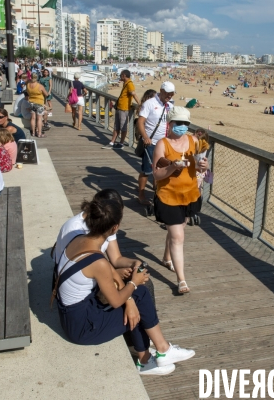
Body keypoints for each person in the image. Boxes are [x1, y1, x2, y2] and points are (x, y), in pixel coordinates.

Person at [54, 195, 195, 375]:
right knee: (139, 295)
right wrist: (134, 283)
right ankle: (159, 352)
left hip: (72, 314)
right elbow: (115, 300)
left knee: (137, 297)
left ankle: (153, 355)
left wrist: (130, 297)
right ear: (115, 228)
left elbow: (108, 270)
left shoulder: (80, 239)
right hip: (82, 327)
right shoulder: (98, 261)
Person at [152, 106, 207, 294]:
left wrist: (203, 167)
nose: (182, 127)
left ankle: (166, 257)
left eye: (186, 123)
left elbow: (199, 170)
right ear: (170, 123)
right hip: (168, 196)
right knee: (178, 236)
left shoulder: (194, 141)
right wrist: (173, 167)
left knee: (178, 230)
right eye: (179, 123)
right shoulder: (162, 144)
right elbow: (157, 175)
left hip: (190, 195)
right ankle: (181, 280)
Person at [136, 83, 174, 205]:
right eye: (167, 92)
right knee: (147, 170)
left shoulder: (171, 104)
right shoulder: (150, 103)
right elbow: (140, 122)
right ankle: (141, 194)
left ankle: (158, 192)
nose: (169, 95)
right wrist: (145, 137)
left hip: (165, 143)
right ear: (161, 90)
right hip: (151, 143)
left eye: (172, 93)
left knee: (163, 169)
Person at [104, 70, 140, 148]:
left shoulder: (130, 84)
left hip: (124, 109)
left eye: (121, 75)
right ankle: (112, 142)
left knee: (123, 126)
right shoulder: (125, 83)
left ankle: (121, 143)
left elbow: (133, 94)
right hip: (120, 108)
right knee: (117, 126)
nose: (120, 76)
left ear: (124, 75)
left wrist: (140, 104)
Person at [26, 73, 49, 137]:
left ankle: (33, 133)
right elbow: (46, 94)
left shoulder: (28, 85)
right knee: (39, 118)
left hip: (31, 103)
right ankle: (39, 133)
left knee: (33, 118)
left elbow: (27, 92)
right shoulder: (40, 86)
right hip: (39, 103)